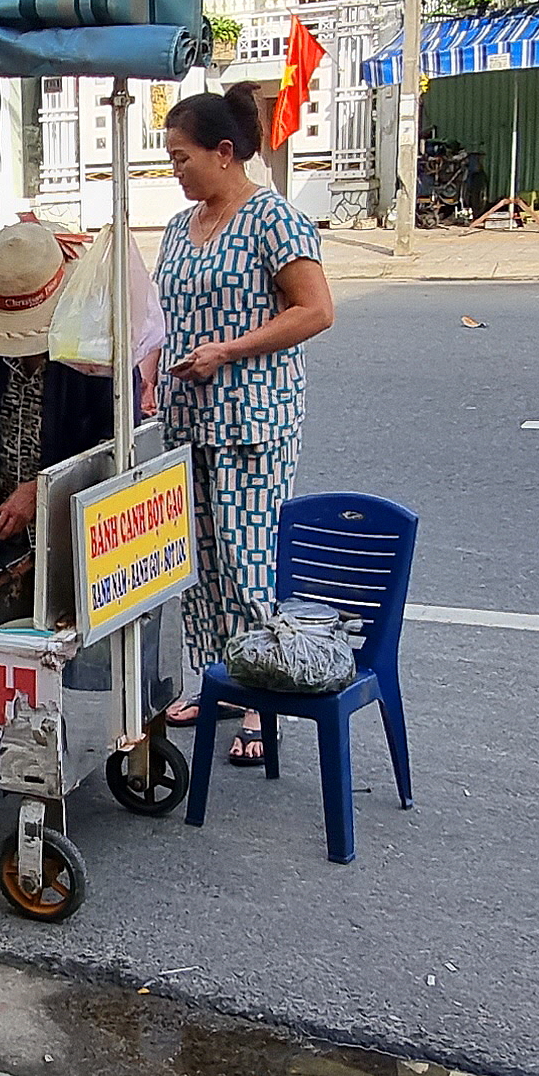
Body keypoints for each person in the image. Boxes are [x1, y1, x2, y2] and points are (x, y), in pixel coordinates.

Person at [146, 89, 336, 767]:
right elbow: (161, 314)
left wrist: (229, 349)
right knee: (198, 561)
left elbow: (315, 311)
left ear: (224, 153)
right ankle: (220, 678)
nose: (176, 171)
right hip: (187, 419)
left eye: (181, 158)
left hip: (253, 418)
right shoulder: (178, 226)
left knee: (248, 558)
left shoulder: (273, 219)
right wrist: (150, 367)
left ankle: (261, 696)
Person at [0, 221, 112, 542]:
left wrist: (41, 489)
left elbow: (112, 440)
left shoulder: (97, 346)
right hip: (1, 524)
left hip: (75, 525)